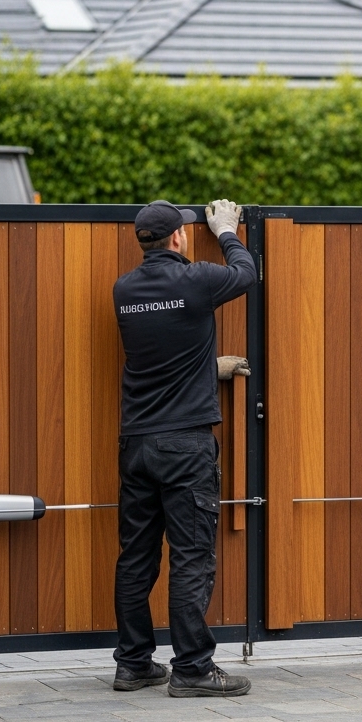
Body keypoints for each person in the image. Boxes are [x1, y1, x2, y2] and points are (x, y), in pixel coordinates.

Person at [112, 199, 256, 696]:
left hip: (137, 442)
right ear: (178, 238)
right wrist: (228, 229)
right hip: (186, 445)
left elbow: (163, 347)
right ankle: (193, 670)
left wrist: (205, 366)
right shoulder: (196, 281)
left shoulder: (124, 290)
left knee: (136, 557)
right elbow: (245, 274)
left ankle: (132, 664)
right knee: (191, 557)